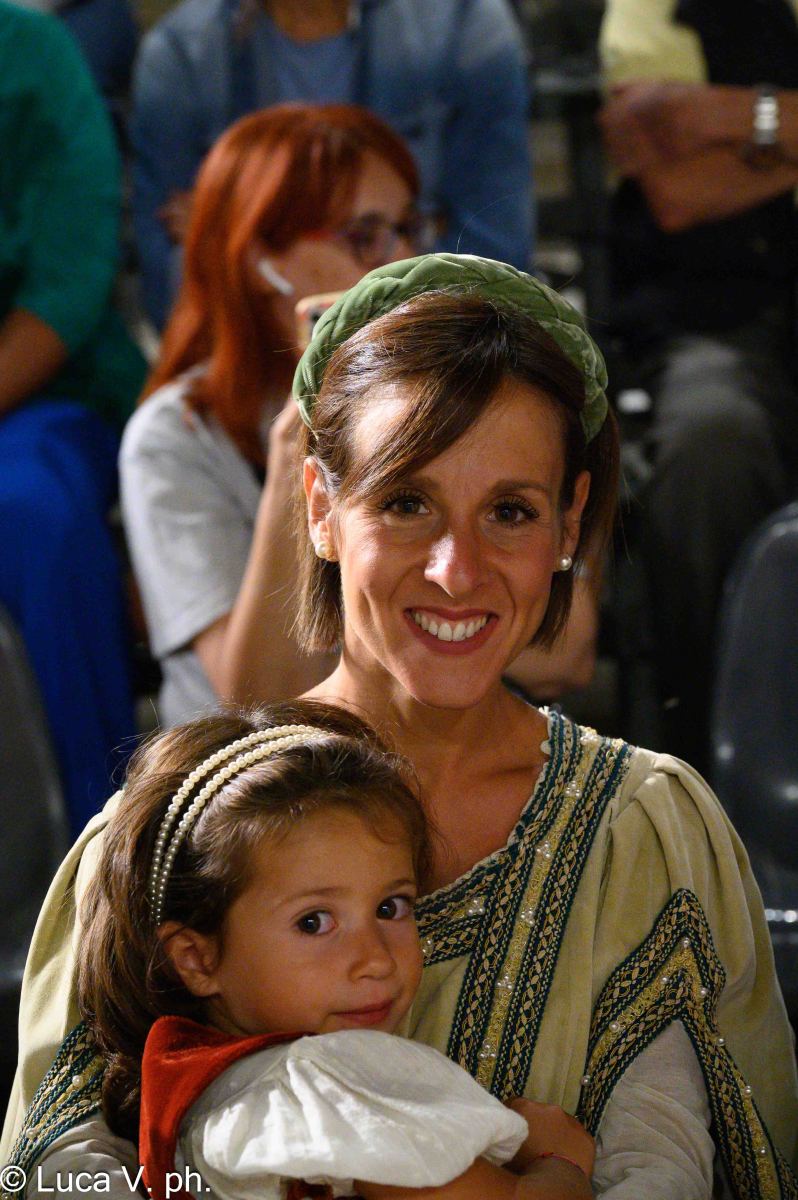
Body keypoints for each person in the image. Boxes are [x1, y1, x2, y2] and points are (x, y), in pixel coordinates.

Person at [4, 255, 797, 1198]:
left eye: (511, 511)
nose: (457, 571)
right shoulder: (177, 834)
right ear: (321, 508)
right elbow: (62, 1169)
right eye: (407, 502)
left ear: (569, 525)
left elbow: (667, 1164)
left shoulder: (645, 833)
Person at [69, 701, 593, 1200]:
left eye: (390, 907)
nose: (375, 959)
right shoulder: (325, 1082)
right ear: (197, 959)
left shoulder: (200, 1092)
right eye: (314, 923)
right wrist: (561, 1160)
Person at [120, 103, 429, 728]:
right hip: (256, 776)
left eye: (407, 229)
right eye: (365, 235)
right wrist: (305, 443)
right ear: (261, 257)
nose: (401, 261)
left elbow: (561, 656)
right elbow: (260, 702)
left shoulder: (435, 399)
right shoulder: (174, 438)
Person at [598, 0, 798, 774]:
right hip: (718, 317)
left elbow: (702, 156)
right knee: (711, 439)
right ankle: (714, 760)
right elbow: (677, 191)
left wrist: (735, 117)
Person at [129, 0, 533, 329]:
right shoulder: (180, 53)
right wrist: (416, 241)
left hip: (427, 352)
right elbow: (174, 296)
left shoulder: (466, 24)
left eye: (404, 227)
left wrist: (233, 228)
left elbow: (495, 271)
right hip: (255, 361)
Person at [0, 0, 147, 833]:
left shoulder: (33, 56)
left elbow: (67, 287)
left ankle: (97, 847)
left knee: (30, 515)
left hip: (40, 394)